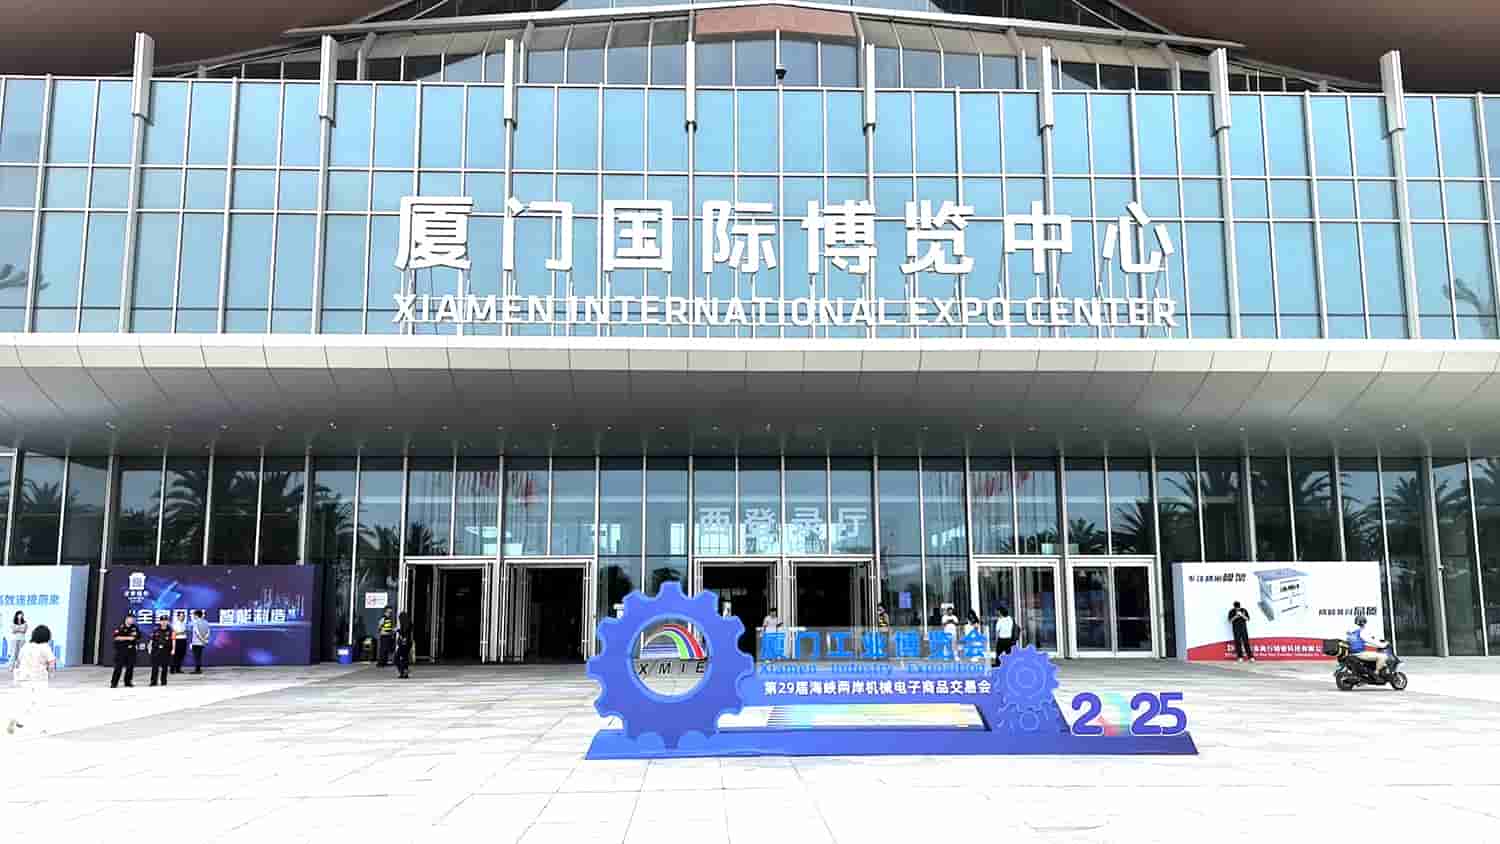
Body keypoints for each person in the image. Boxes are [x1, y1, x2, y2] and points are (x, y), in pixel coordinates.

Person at [6, 625, 56, 737]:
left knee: (25, 702)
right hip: (39, 679)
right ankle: (42, 728)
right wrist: (51, 673)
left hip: (24, 678)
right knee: (40, 704)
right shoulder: (45, 647)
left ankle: (17, 719)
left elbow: (19, 661)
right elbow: (51, 662)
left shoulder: (26, 646)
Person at [109, 613, 141, 688]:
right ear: (126, 619)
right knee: (118, 667)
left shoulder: (135, 627)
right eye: (130, 619)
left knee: (130, 667)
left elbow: (138, 636)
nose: (132, 620)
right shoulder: (121, 627)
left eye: (133, 619)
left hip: (131, 650)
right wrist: (128, 638)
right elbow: (116, 637)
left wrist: (135, 638)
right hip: (122, 650)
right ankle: (114, 682)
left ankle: (128, 682)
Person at [148, 618, 175, 687]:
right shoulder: (155, 630)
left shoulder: (171, 630)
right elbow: (151, 639)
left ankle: (163, 681)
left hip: (166, 650)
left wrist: (173, 649)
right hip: (156, 650)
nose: (164, 622)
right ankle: (153, 681)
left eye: (165, 621)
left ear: (167, 621)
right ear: (160, 622)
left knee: (165, 667)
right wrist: (149, 647)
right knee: (155, 667)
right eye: (162, 621)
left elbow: (173, 640)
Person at [189, 610, 211, 674]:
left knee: (196, 657)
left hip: (196, 642)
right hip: (202, 643)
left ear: (196, 615)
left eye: (194, 615)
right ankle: (198, 669)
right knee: (199, 656)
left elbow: (197, 632)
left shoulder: (195, 622)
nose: (193, 616)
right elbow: (208, 632)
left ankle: (197, 670)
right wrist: (204, 640)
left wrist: (202, 639)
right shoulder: (206, 622)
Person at [394, 611, 413, 680]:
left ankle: (403, 672)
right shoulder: (408, 624)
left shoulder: (405, 625)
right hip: (407, 644)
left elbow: (404, 633)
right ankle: (404, 672)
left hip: (404, 644)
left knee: (397, 658)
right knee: (404, 658)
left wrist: (397, 630)